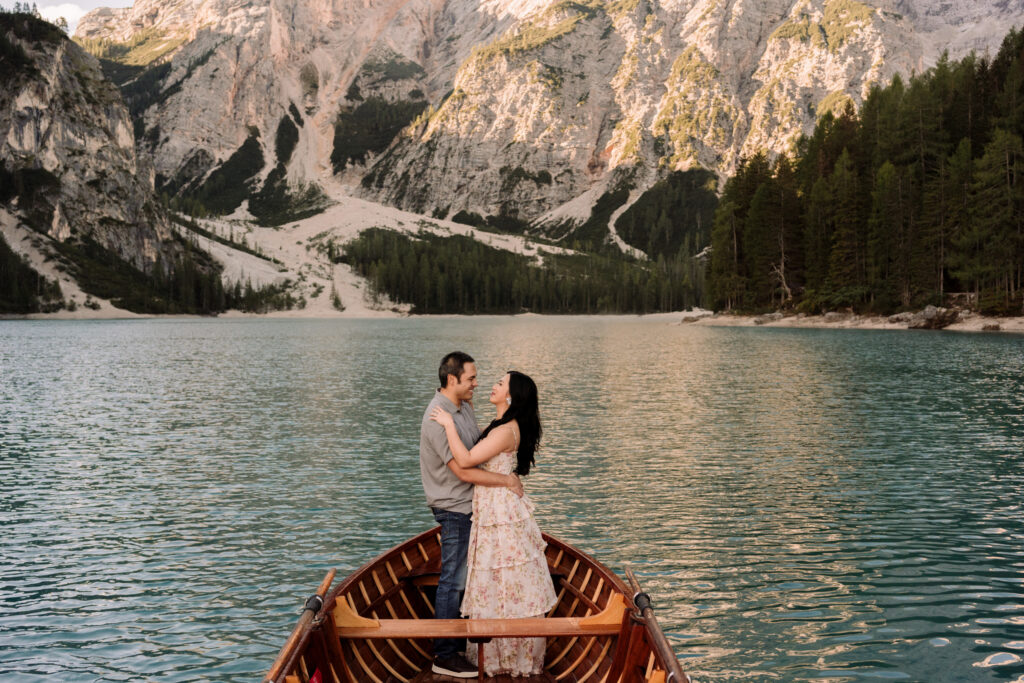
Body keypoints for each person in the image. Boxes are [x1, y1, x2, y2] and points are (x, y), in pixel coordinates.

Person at [431, 370, 557, 677]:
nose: (493, 385)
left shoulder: (505, 431)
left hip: (499, 511)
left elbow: (465, 460)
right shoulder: (500, 425)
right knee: (497, 577)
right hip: (492, 508)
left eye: (500, 383)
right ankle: (498, 653)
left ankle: (509, 656)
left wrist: (447, 423)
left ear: (510, 396)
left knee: (504, 576)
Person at [420, 352, 524, 679]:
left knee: (468, 576)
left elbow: (477, 443)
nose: (476, 384)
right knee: (453, 578)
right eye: (471, 379)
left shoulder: (463, 407)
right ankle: (444, 654)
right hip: (454, 507)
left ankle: (469, 637)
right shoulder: (437, 420)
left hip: (473, 505)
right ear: (452, 380)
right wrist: (506, 480)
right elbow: (464, 471)